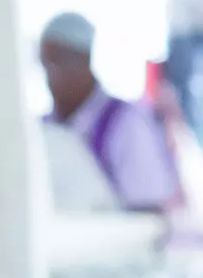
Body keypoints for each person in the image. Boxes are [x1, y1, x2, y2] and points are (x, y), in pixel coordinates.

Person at [39, 12, 179, 213]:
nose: (50, 75)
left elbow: (151, 209)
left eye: (57, 62)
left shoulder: (124, 123)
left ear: (84, 60)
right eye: (44, 62)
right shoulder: (45, 129)